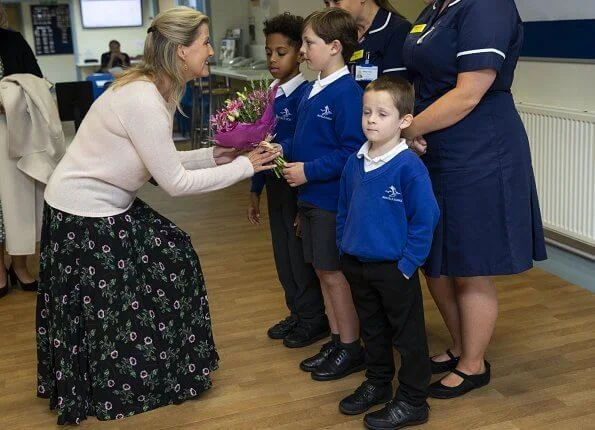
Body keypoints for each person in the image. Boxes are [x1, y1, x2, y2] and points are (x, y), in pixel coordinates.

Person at [36, 7, 280, 424]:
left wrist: (218, 154)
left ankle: (165, 367)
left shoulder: (159, 88)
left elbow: (162, 160)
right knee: (127, 295)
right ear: (181, 50)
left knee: (174, 253)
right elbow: (176, 183)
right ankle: (128, 382)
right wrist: (245, 166)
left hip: (110, 201)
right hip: (85, 212)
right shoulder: (144, 98)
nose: (209, 50)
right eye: (205, 42)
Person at [402, 0, 547, 399]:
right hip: (435, 144)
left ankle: (473, 365)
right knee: (438, 260)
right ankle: (460, 345)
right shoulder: (437, 8)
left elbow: (468, 94)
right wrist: (412, 127)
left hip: (479, 147)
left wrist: (404, 130)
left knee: (469, 261)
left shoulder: (487, 6)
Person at [336, 75, 439, 429]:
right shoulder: (355, 162)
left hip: (395, 269)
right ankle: (378, 383)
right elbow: (344, 209)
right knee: (373, 329)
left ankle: (413, 400)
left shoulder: (409, 166)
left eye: (382, 113)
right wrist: (343, 246)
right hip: (357, 265)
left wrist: (408, 264)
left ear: (405, 121)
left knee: (407, 336)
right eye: (367, 112)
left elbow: (427, 218)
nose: (371, 120)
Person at [283, 8, 366, 381]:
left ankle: (351, 347)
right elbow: (304, 140)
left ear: (334, 47)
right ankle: (336, 339)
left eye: (308, 42)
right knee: (321, 271)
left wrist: (308, 171)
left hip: (332, 199)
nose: (302, 50)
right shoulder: (313, 89)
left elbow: (352, 150)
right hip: (311, 199)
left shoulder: (347, 93)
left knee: (334, 275)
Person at [247, 13, 326, 344]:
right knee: (282, 256)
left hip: (297, 186)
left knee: (299, 257)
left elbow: (303, 147)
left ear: (299, 54)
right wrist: (255, 190)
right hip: (275, 187)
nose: (273, 59)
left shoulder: (305, 95)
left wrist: (301, 204)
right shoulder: (270, 94)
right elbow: (259, 147)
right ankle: (296, 311)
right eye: (269, 52)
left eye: (281, 52)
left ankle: (313, 317)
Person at [0, 4, 44, 299]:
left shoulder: (13, 41)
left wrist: (11, 97)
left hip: (11, 131)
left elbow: (38, 83)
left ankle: (21, 266)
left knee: (18, 202)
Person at [324, 0, 411, 88]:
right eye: (327, 3)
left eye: (336, 1)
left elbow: (395, 90)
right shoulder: (341, 33)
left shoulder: (398, 30)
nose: (330, 9)